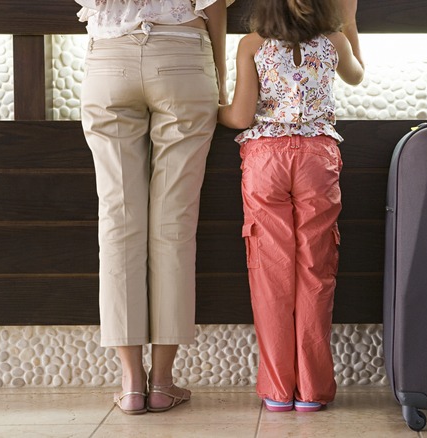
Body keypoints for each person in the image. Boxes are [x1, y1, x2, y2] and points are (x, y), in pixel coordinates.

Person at [75, 0, 231, 415]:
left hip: (109, 60)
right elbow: (214, 5)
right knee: (174, 225)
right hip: (183, 57)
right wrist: (220, 75)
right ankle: (161, 382)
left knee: (117, 221)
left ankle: (130, 385)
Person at [218, 0, 364, 412]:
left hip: (265, 158)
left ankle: (279, 391)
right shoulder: (334, 41)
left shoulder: (251, 44)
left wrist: (207, 109)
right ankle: (313, 392)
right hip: (318, 158)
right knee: (317, 270)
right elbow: (356, 76)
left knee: (271, 273)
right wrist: (350, 21)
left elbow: (241, 115)